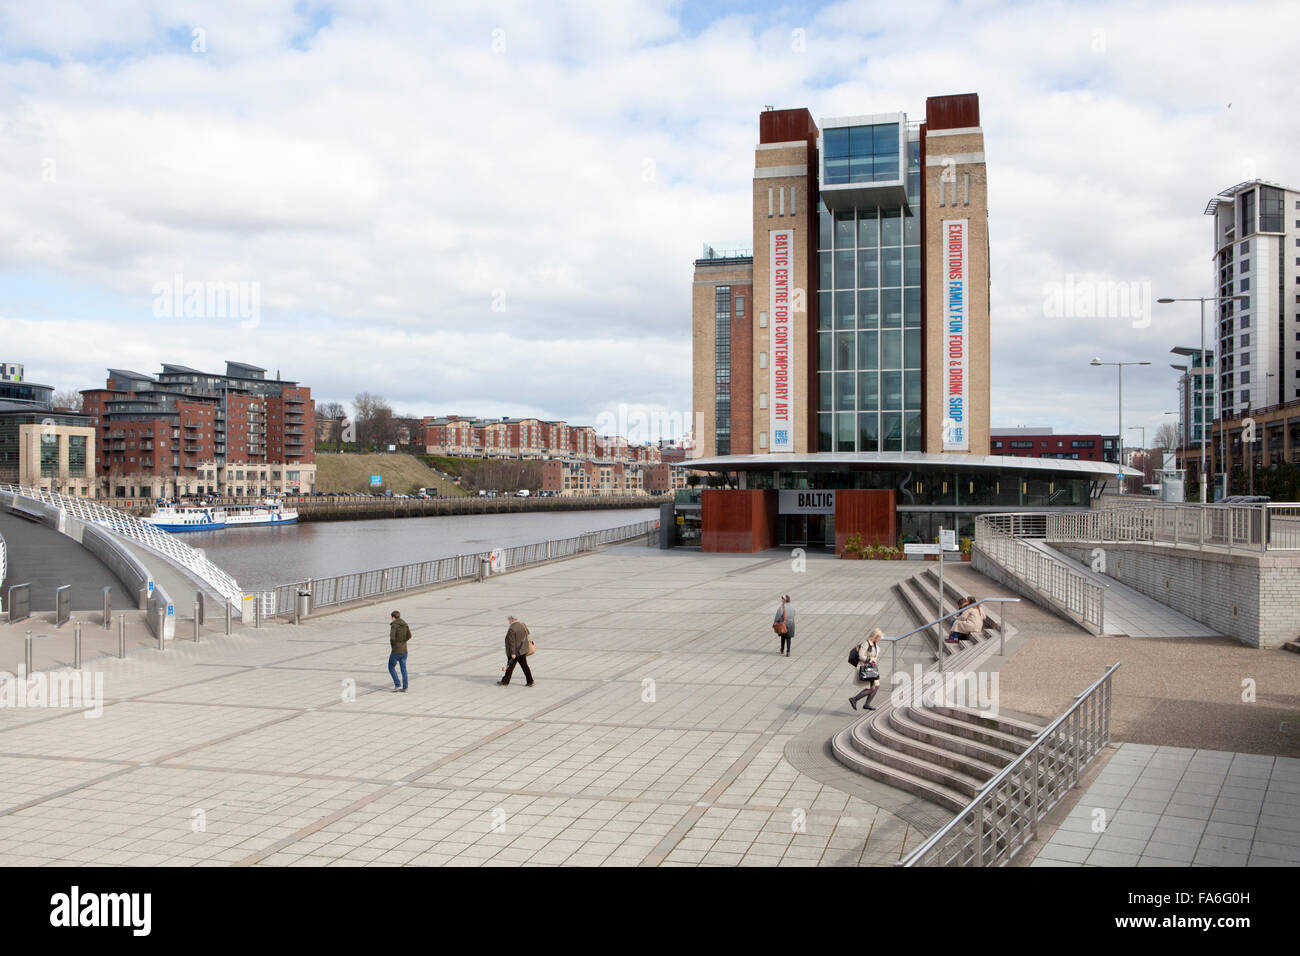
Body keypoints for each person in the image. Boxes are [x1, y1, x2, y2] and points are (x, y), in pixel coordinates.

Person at [849, 627, 884, 710]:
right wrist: (870, 659)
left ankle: (866, 703)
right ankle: (855, 699)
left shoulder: (876, 645)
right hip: (866, 667)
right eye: (880, 637)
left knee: (876, 686)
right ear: (875, 636)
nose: (880, 639)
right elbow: (861, 655)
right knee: (873, 688)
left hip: (871, 668)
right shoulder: (866, 643)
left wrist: (873, 660)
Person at [498, 615, 534, 687]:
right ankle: (530, 681)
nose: (509, 621)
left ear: (512, 619)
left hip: (515, 652)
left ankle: (505, 681)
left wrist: (513, 653)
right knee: (524, 666)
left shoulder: (512, 629)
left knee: (510, 667)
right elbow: (527, 633)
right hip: (523, 650)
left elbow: (512, 642)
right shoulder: (522, 625)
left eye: (509, 620)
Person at [388, 610, 411, 692]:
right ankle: (405, 687)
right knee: (403, 669)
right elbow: (409, 636)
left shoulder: (394, 625)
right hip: (404, 650)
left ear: (393, 617)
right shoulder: (405, 624)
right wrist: (403, 641)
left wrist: (394, 646)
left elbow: (392, 638)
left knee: (391, 667)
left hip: (396, 650)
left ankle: (397, 685)